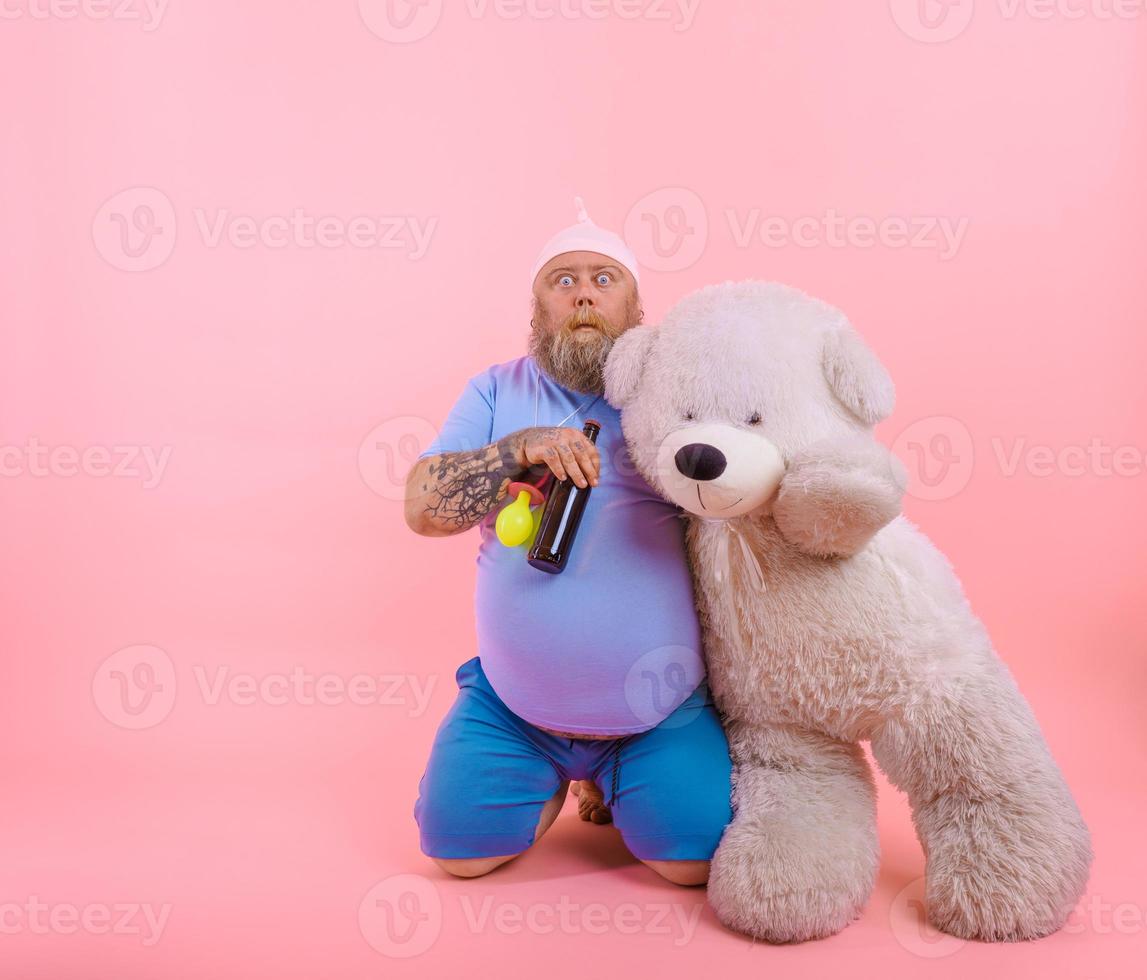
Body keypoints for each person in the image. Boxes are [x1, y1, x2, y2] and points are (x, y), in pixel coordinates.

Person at [404, 198, 732, 885]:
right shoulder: (496, 389)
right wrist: (513, 453)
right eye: (563, 279)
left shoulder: (669, 396)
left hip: (657, 708)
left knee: (692, 865)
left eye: (603, 279)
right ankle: (551, 774)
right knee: (458, 857)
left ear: (636, 305)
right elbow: (424, 509)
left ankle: (614, 775)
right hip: (515, 707)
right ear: (537, 307)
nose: (583, 291)